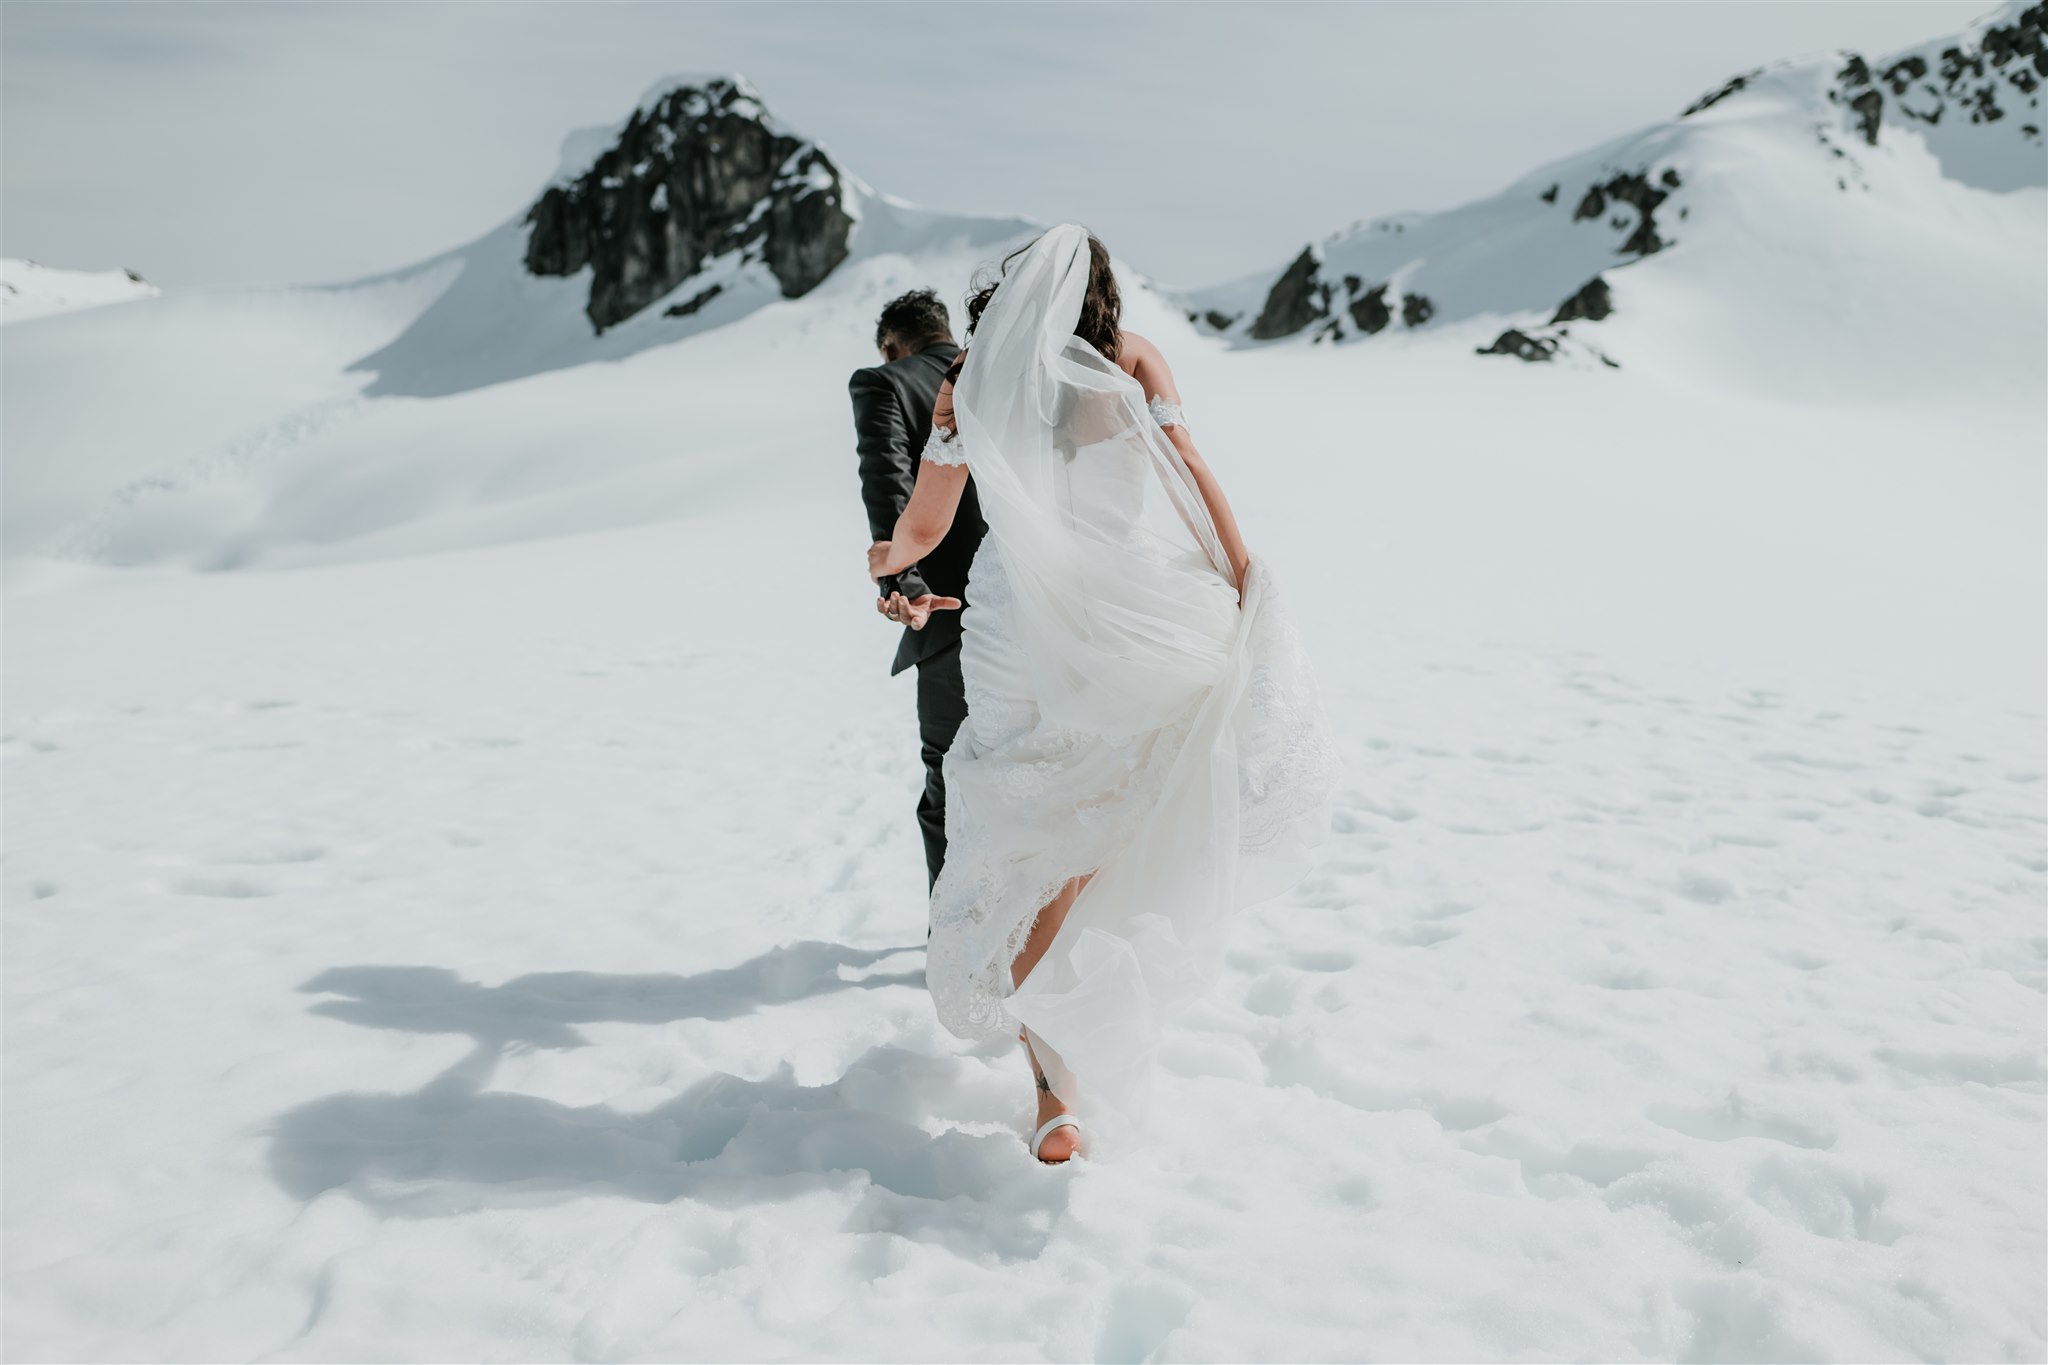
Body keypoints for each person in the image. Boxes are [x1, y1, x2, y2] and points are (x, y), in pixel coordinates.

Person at [866, 225, 1337, 1164]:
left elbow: (927, 521)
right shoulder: (1131, 360)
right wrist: (1243, 575)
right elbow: (1191, 476)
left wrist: (887, 563)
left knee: (1036, 841)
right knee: (1104, 838)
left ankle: (1055, 1093)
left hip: (1018, 629)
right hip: (1129, 611)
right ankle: (1092, 1019)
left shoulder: (976, 383)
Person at [848, 290, 988, 902]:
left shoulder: (884, 382)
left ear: (892, 345)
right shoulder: (994, 369)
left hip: (951, 613)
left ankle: (956, 945)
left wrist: (903, 583)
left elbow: (889, 484)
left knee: (949, 788)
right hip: (1041, 605)